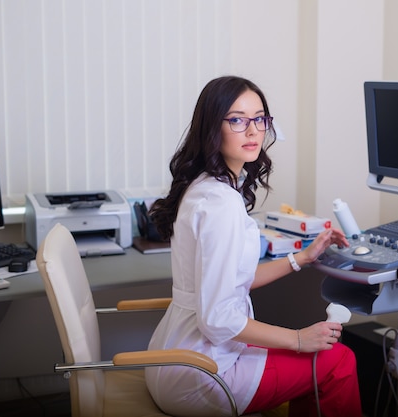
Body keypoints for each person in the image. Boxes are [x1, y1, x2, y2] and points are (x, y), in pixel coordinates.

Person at [145, 75, 362, 417]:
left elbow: (233, 280)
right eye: (237, 120)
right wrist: (298, 339)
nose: (252, 131)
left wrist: (301, 258)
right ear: (211, 128)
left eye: (259, 118)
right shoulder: (221, 204)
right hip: (203, 374)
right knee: (338, 361)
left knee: (320, 361)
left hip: (174, 359)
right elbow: (218, 319)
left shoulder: (205, 186)